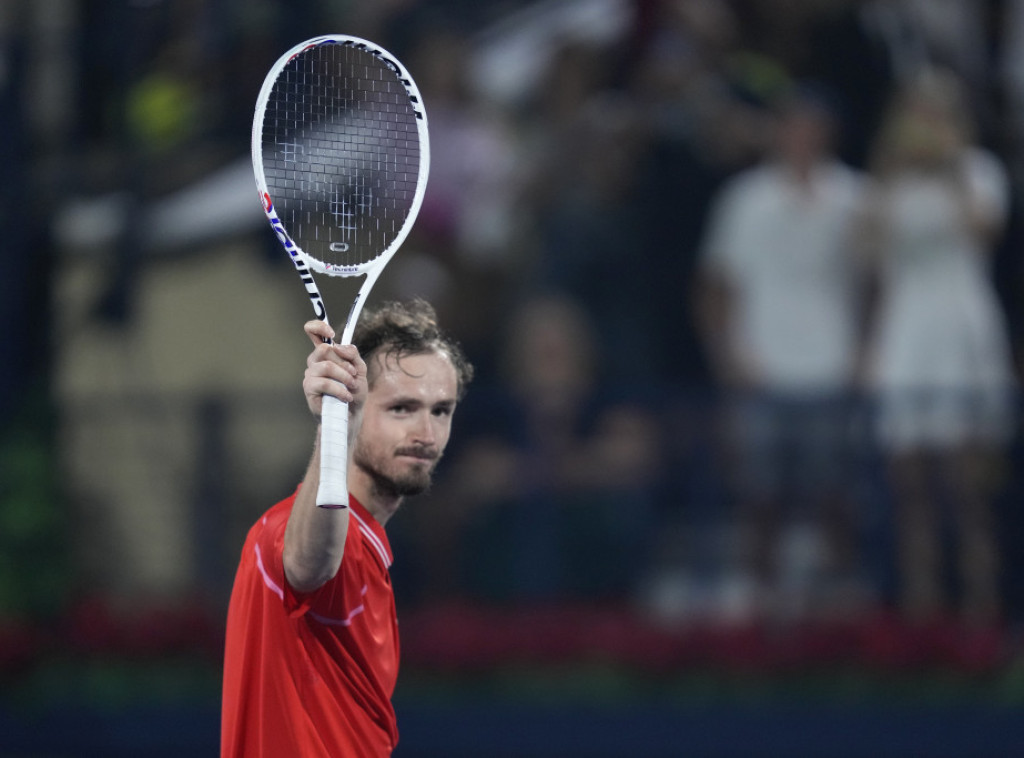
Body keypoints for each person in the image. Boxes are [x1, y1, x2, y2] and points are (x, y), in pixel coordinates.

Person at [221, 299, 474, 757]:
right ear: (355, 404)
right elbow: (310, 564)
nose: (426, 433)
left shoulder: (371, 548)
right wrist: (338, 424)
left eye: (441, 410)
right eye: (401, 408)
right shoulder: (290, 530)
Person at [695, 85, 872, 621]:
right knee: (760, 496)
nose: (802, 137)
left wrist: (864, 353)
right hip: (761, 369)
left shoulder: (856, 197)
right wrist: (728, 359)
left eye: (812, 127)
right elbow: (715, 287)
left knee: (835, 494)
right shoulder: (744, 198)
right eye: (793, 125)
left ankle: (837, 602)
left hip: (833, 370)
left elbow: (876, 284)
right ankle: (758, 602)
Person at [861, 68, 1015, 627]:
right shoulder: (886, 182)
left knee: (968, 488)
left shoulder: (979, 171)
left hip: (961, 323)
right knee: (911, 490)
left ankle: (981, 613)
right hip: (906, 327)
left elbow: (983, 230)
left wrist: (950, 167)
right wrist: (889, 176)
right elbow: (868, 254)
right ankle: (921, 622)